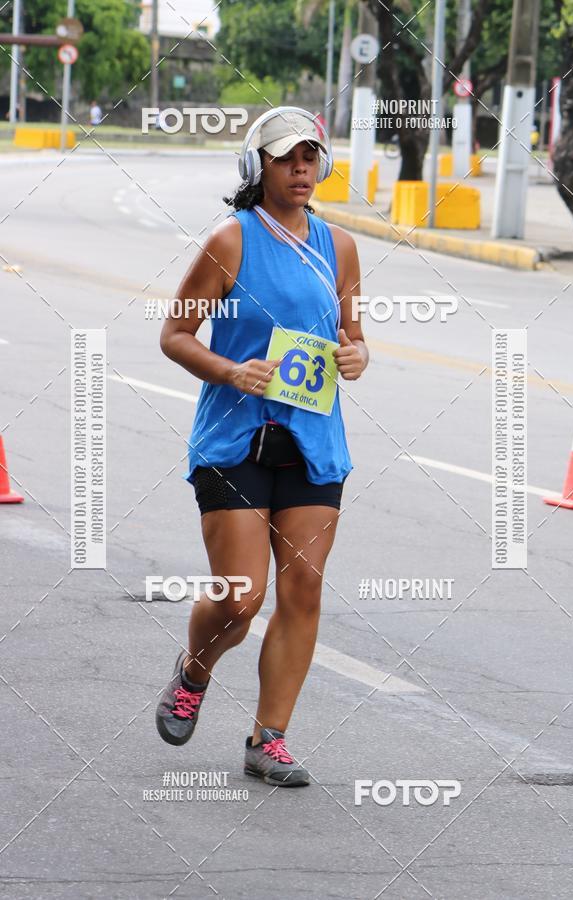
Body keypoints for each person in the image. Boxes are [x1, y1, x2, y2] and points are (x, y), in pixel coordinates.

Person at [155, 107, 368, 787]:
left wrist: (358, 353)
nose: (301, 168)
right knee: (241, 597)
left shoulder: (340, 248)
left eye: (310, 157)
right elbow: (176, 335)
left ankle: (268, 739)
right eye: (286, 158)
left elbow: (352, 334)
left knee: (301, 591)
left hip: (311, 438)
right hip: (235, 438)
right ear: (258, 167)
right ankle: (194, 669)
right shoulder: (230, 241)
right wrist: (230, 369)